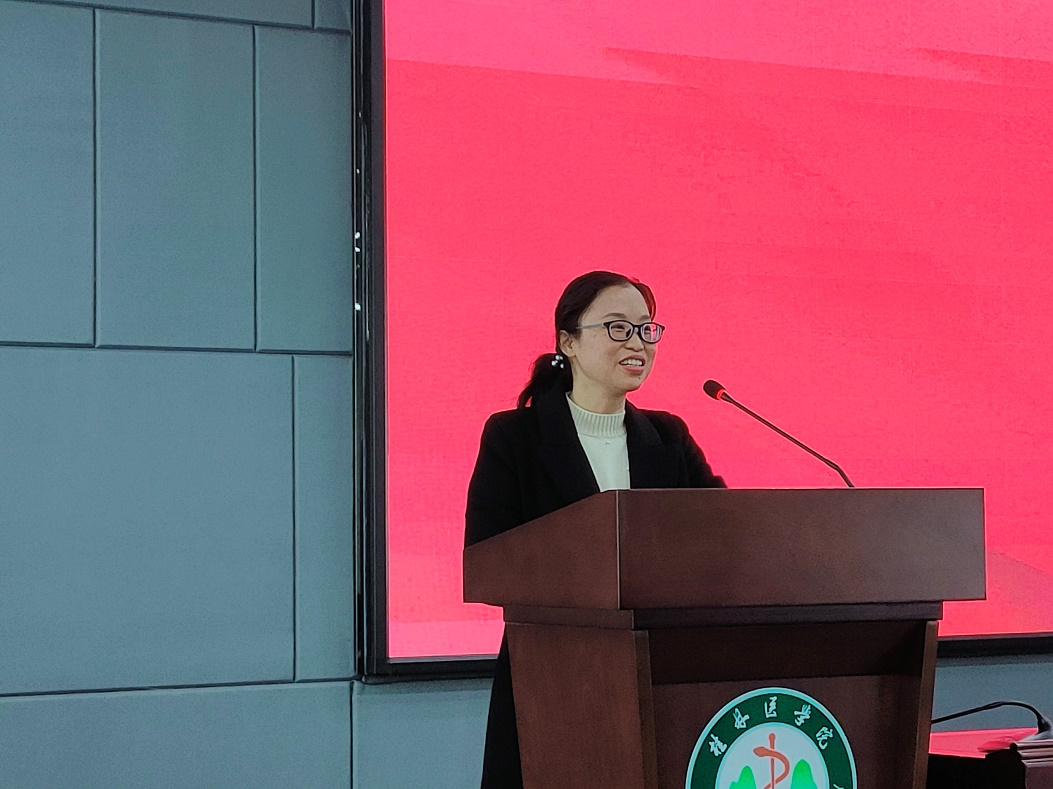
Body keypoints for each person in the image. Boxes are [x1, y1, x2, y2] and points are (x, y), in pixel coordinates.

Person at [464, 270, 725, 788]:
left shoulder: (668, 438)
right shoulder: (515, 438)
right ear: (569, 342)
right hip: (550, 679)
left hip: (656, 677)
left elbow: (722, 535)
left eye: (646, 329)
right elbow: (487, 556)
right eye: (617, 327)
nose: (637, 343)